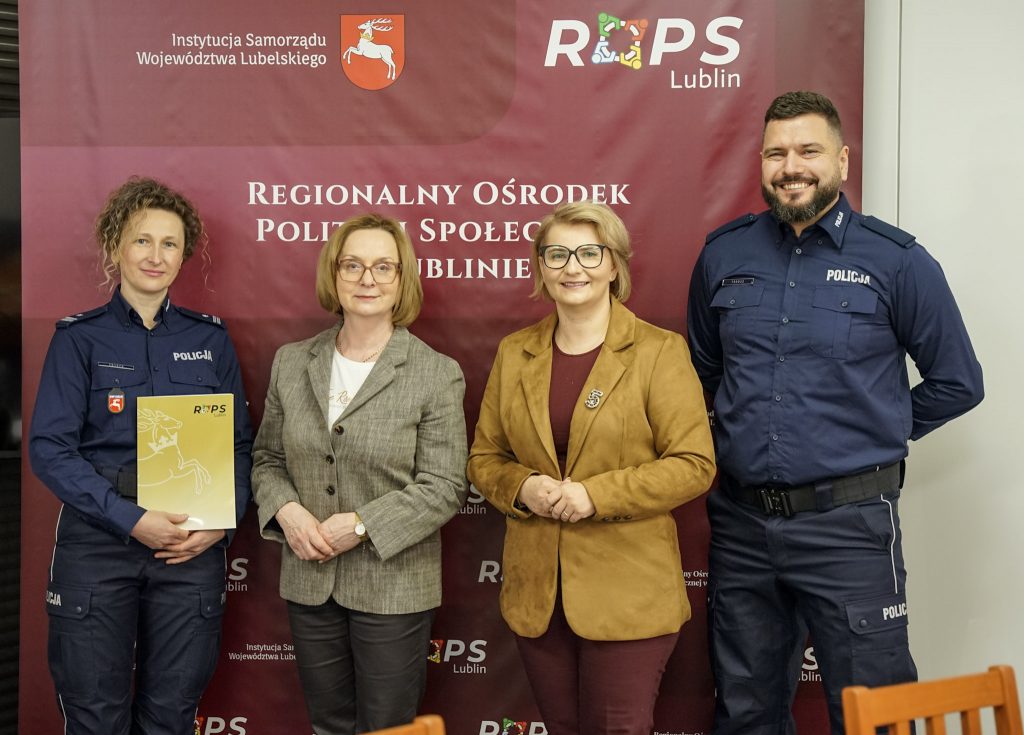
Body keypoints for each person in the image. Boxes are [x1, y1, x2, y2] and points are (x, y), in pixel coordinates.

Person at [687, 90, 984, 735]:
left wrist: (877, 426)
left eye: (808, 151)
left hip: (850, 528)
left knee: (876, 715)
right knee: (745, 711)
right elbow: (705, 373)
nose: (791, 167)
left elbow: (958, 382)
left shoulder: (897, 260)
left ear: (842, 161)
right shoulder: (723, 255)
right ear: (761, 162)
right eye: (776, 153)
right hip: (741, 525)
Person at [468, 201, 716, 735]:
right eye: (557, 254)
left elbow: (694, 465)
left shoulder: (658, 351)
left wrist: (595, 495)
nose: (572, 267)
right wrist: (524, 487)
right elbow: (484, 459)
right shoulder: (515, 352)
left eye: (588, 253)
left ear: (614, 264)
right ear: (541, 267)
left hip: (628, 594)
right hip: (539, 595)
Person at [29, 176, 254, 733]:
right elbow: (50, 448)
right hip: (98, 544)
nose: (156, 256)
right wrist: (131, 519)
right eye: (142, 240)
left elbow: (239, 446)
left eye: (170, 243)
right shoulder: (79, 339)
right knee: (95, 718)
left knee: (171, 717)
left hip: (188, 547)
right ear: (116, 247)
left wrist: (221, 523)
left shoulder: (211, 340)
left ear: (184, 254)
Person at [251, 213, 468, 735]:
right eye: (352, 265)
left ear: (401, 279)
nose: (367, 279)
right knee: (328, 726)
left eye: (382, 267)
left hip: (394, 586)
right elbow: (267, 459)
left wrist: (363, 524)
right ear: (334, 275)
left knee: (388, 730)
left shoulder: (435, 372)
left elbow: (445, 486)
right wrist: (287, 511)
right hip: (309, 579)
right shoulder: (291, 362)